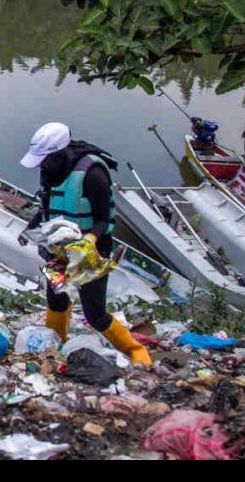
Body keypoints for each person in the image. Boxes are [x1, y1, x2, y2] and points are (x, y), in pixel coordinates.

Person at [18, 122, 151, 368]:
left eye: (45, 160)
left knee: (94, 313)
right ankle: (55, 344)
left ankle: (136, 351)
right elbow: (46, 206)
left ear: (59, 153)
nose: (41, 165)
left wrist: (90, 240)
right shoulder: (49, 171)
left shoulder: (92, 174)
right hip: (58, 249)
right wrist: (29, 228)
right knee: (56, 299)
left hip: (91, 252)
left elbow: (104, 219)